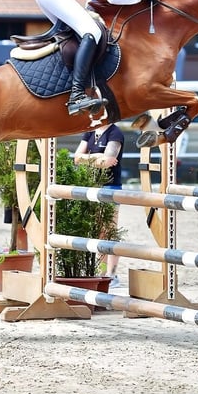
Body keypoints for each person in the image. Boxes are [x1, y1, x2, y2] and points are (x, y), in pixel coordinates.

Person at [73, 122, 125, 287]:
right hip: (92, 186)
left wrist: (88, 157)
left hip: (110, 186)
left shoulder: (115, 133)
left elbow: (108, 161)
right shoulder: (89, 132)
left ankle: (112, 274)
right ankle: (101, 273)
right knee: (98, 231)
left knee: (109, 229)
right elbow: (76, 158)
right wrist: (97, 157)